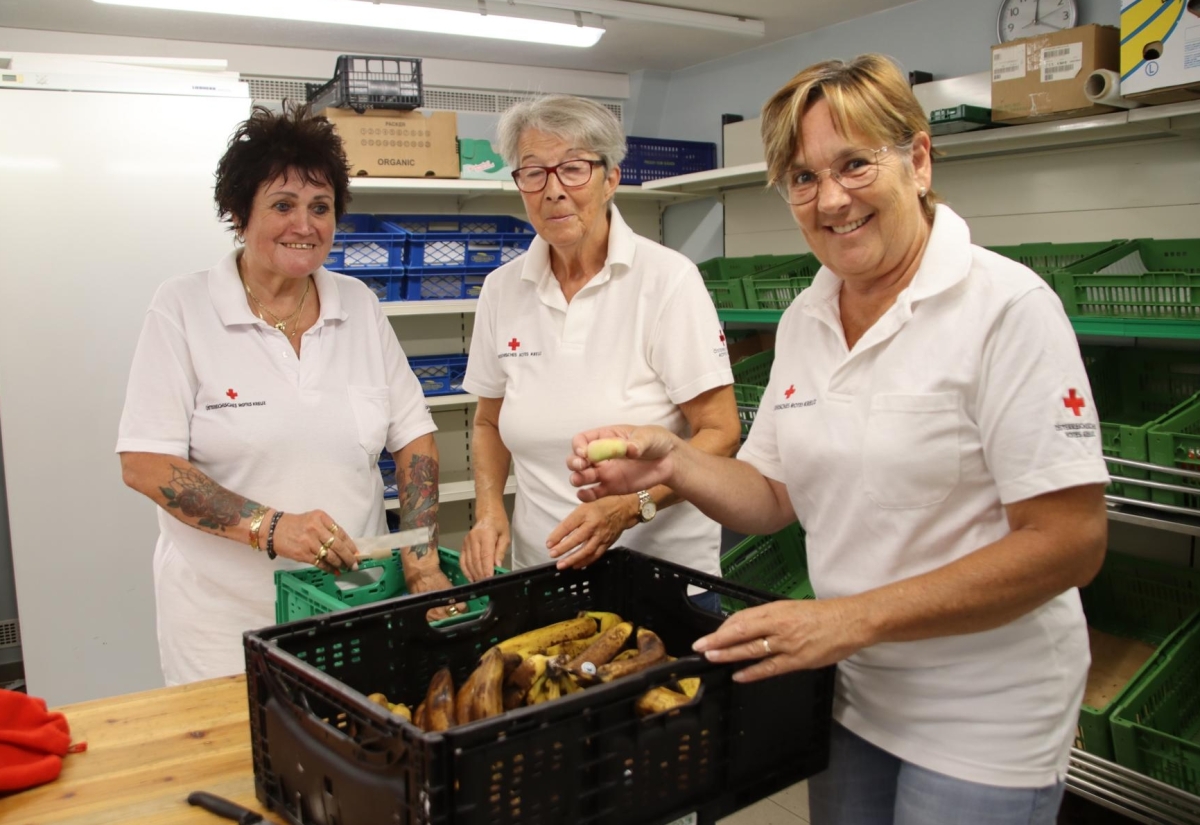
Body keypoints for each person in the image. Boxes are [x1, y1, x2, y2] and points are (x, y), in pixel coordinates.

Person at [566, 55, 1109, 825]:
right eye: (802, 177)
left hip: (986, 712)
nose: (830, 199)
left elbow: (1070, 542)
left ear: (919, 162)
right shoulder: (806, 318)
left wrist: (849, 618)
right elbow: (773, 494)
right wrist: (675, 460)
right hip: (852, 690)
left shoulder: (1007, 308)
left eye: (855, 164)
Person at [117, 104, 459, 686]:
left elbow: (414, 438)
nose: (305, 224)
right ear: (237, 213)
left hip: (353, 602)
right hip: (225, 623)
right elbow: (145, 463)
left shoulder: (358, 305)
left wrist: (420, 557)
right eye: (282, 205)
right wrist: (271, 527)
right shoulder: (183, 308)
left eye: (320, 207)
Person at [459, 94, 741, 598]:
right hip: (541, 574)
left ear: (610, 179)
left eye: (573, 169)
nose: (553, 191)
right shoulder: (501, 290)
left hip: (661, 582)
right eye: (534, 173)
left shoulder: (667, 280)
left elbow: (720, 432)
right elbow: (487, 422)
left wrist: (632, 506)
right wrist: (489, 508)